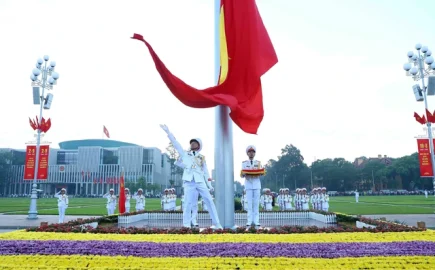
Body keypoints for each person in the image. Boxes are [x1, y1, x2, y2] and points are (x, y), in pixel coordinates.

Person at [160, 124, 222, 229]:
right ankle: (186, 225)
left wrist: (209, 185)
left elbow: (206, 172)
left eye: (195, 142)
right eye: (191, 142)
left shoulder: (202, 158)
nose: (192, 144)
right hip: (189, 181)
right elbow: (176, 144)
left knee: (209, 200)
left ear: (199, 145)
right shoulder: (185, 154)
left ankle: (217, 224)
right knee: (188, 203)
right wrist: (168, 133)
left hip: (200, 181)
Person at [240, 145, 265, 227]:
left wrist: (261, 172)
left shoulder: (258, 163)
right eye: (250, 152)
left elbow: (261, 172)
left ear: (254, 153)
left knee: (256, 204)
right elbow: (242, 175)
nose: (251, 153)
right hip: (248, 184)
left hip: (257, 184)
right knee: (249, 204)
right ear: (247, 153)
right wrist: (243, 174)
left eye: (253, 152)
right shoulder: (244, 163)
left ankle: (256, 221)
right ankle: (249, 221)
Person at [175, 158, 199, 227]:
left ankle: (194, 221)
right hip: (188, 185)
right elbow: (177, 163)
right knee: (187, 204)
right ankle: (186, 223)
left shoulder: (199, 165)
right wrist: (179, 158)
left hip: (197, 185)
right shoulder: (187, 165)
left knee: (195, 205)